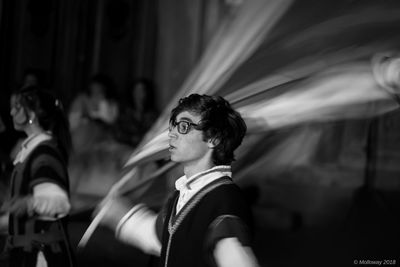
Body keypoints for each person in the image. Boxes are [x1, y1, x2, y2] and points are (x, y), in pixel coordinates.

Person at [98, 94, 260, 267]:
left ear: (213, 138)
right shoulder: (183, 194)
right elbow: (163, 240)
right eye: (173, 125)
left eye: (183, 126)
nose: (172, 134)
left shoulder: (224, 202)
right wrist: (122, 216)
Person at [0, 86, 75, 267]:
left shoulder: (44, 153)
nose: (11, 112)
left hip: (41, 256)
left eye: (17, 107)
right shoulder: (31, 150)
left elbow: (59, 202)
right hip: (25, 253)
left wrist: (29, 202)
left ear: (32, 114)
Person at [114, 78, 158, 147]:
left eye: (142, 90)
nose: (138, 94)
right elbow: (117, 133)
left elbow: (155, 133)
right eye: (136, 90)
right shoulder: (125, 112)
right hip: (126, 148)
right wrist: (131, 139)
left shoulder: (152, 114)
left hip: (146, 148)